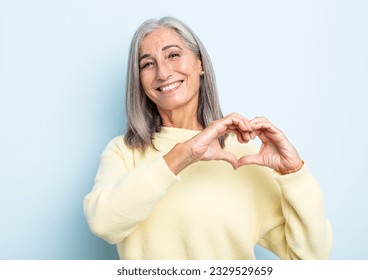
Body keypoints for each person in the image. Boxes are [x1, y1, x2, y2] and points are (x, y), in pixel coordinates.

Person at [83, 16, 333, 260]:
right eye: (147, 64)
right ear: (139, 80)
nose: (163, 72)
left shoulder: (244, 155)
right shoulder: (124, 152)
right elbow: (103, 224)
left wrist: (294, 173)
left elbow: (311, 259)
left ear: (200, 64)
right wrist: (183, 154)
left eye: (173, 55)